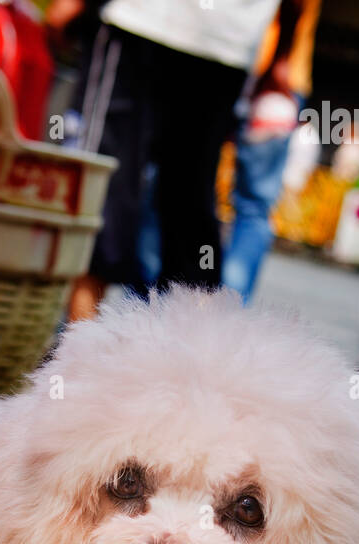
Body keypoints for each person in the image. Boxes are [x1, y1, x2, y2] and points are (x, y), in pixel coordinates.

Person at [47, 0, 287, 320]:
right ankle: (191, 361)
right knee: (189, 211)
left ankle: (79, 351)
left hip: (144, 20)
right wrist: (281, 54)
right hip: (227, 41)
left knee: (102, 194)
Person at [221, 0, 322, 302]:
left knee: (177, 181)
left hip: (257, 68)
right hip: (277, 73)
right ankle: (226, 311)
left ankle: (164, 308)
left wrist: (280, 59)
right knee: (252, 206)